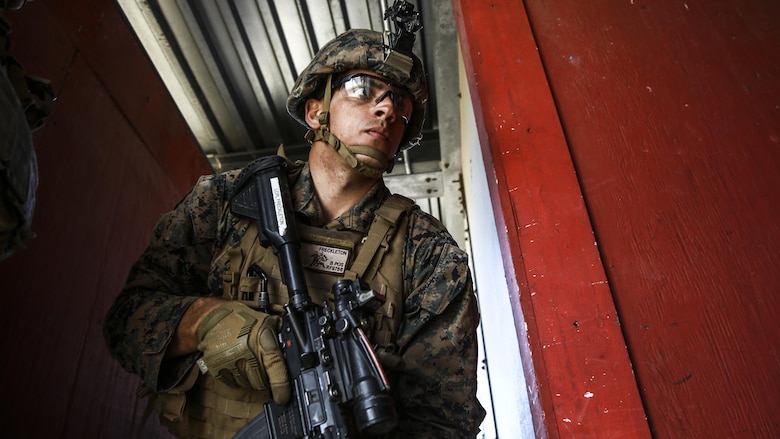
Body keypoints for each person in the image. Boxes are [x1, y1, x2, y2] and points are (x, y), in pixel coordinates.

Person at [104, 27, 485, 438]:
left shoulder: (428, 255)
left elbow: (445, 422)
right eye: (362, 89)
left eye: (401, 104)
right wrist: (205, 321)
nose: (387, 110)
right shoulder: (228, 201)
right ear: (314, 110)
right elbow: (126, 321)